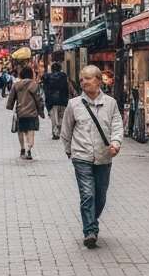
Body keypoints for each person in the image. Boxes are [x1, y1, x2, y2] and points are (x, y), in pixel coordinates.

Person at [61, 65, 123, 248]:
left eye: (87, 78)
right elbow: (66, 130)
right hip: (81, 156)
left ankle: (91, 222)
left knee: (100, 196)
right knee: (87, 194)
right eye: (81, 79)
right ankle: (90, 231)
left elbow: (117, 125)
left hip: (104, 156)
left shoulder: (111, 103)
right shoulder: (74, 104)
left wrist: (117, 143)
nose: (83, 82)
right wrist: (70, 151)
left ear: (98, 80)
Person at [7, 65, 45, 159]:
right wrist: (41, 112)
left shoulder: (16, 85)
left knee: (20, 131)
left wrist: (10, 106)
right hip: (32, 112)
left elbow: (11, 98)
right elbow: (39, 99)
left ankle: (22, 148)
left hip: (20, 112)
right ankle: (29, 149)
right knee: (30, 131)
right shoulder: (34, 85)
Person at [42, 62, 74, 140]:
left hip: (52, 101)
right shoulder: (64, 76)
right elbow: (69, 88)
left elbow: (44, 90)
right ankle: (61, 131)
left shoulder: (47, 77)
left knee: (54, 118)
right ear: (60, 68)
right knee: (61, 117)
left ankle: (55, 133)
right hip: (63, 100)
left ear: (52, 69)